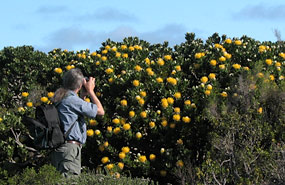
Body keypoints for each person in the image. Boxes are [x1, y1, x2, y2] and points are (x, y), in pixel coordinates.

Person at [50, 68, 104, 177]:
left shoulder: (61, 97)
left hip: (61, 149)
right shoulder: (72, 100)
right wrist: (90, 91)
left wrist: (82, 96)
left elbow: (75, 113)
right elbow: (100, 111)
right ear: (79, 86)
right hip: (69, 150)